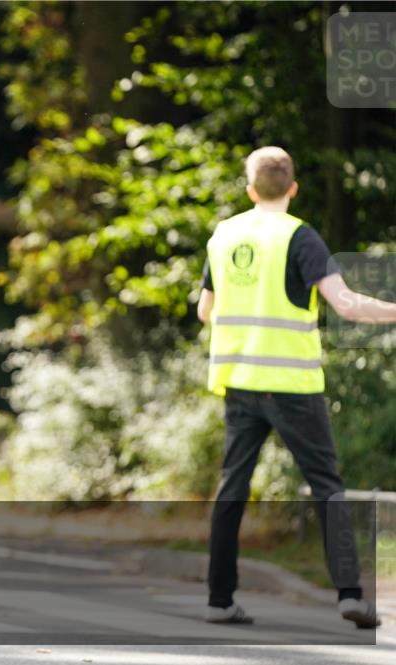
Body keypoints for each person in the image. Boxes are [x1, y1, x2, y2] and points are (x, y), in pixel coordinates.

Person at [197, 146, 395, 628]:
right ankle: (349, 595)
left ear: (249, 189)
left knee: (232, 490)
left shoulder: (224, 235)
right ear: (292, 188)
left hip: (240, 382)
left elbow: (205, 310)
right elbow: (345, 304)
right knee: (327, 487)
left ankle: (220, 599)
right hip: (291, 385)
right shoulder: (299, 236)